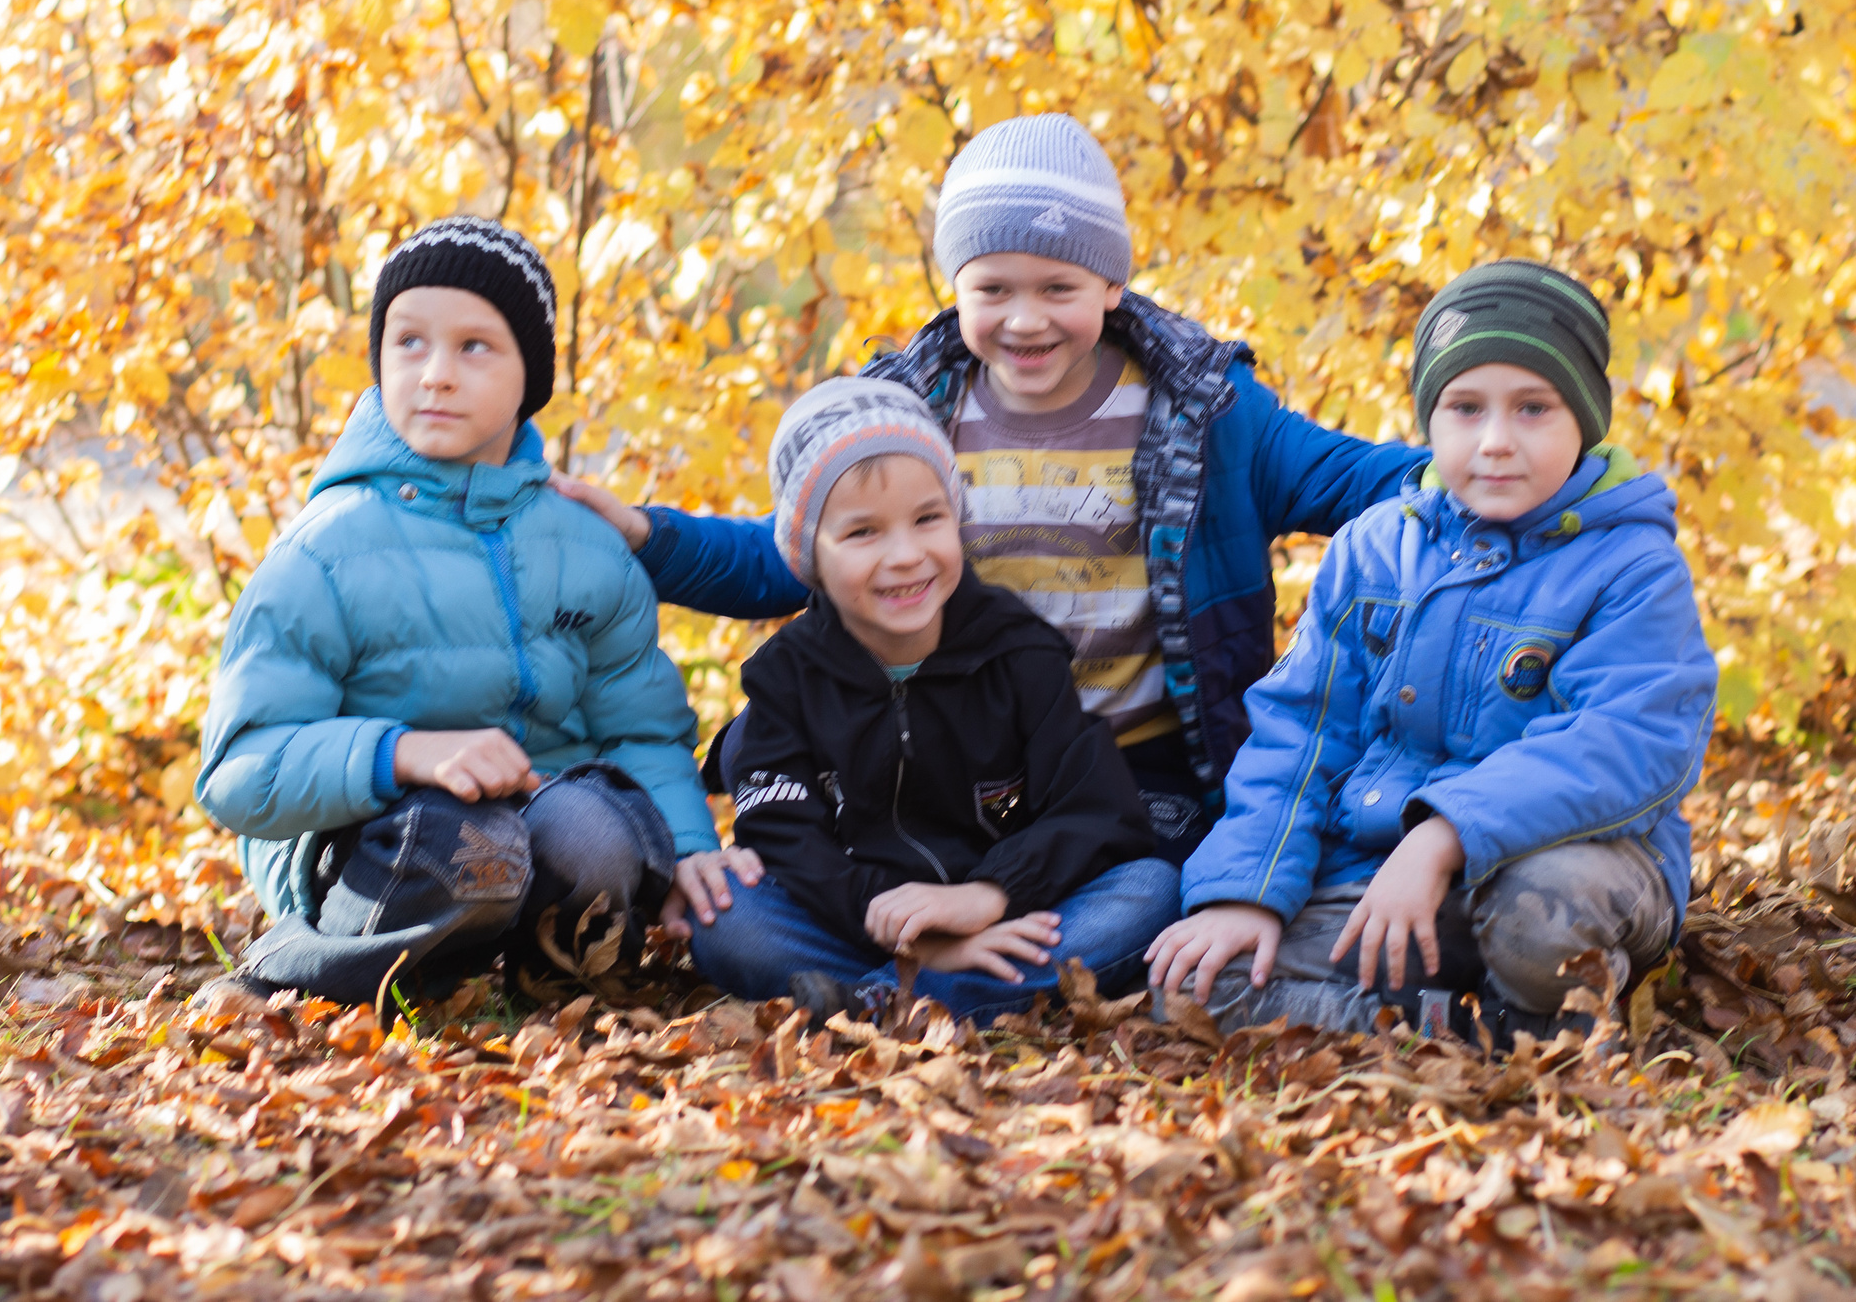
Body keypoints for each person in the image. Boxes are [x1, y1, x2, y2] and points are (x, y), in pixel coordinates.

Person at [553, 114, 1430, 861]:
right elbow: (788, 553)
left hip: (1138, 768)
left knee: (1148, 891)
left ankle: (991, 946)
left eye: (1059, 286)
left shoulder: (1208, 414)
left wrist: (1489, 465)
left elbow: (1365, 479)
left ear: (1112, 283)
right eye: (993, 288)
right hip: (949, 763)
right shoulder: (910, 413)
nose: (1024, 317)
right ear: (956, 286)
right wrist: (646, 537)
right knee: (770, 908)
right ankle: (927, 938)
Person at [1145, 259, 1716, 1042]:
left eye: (1533, 408)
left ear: (1585, 417)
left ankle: (1543, 1008)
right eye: (1465, 407)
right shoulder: (1374, 548)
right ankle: (1471, 1031)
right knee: (1203, 984)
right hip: (1384, 877)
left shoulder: (1632, 564)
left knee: (1539, 922)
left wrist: (1444, 833)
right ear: (1429, 417)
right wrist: (1246, 889)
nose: (1495, 441)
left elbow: (1626, 742)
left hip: (1574, 864)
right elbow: (1303, 731)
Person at [196, 217, 756, 1011]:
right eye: (409, 342)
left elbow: (641, 730)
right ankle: (306, 968)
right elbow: (238, 770)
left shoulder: (588, 548)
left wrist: (690, 845)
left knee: (594, 832)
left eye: (474, 347)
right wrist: (404, 752)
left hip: (535, 823)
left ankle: (542, 978)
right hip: (373, 839)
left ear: (531, 375)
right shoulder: (326, 550)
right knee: (468, 841)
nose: (436, 374)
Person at [683, 377, 1179, 1023]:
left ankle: (880, 999)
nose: (906, 555)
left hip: (1006, 912)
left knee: (1149, 888)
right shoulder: (784, 679)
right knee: (728, 916)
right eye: (863, 532)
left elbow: (1098, 807)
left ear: (956, 518)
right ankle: (922, 985)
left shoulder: (1017, 649)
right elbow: (787, 840)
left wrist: (989, 894)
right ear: (810, 555)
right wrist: (913, 936)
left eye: (927, 519)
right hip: (859, 918)